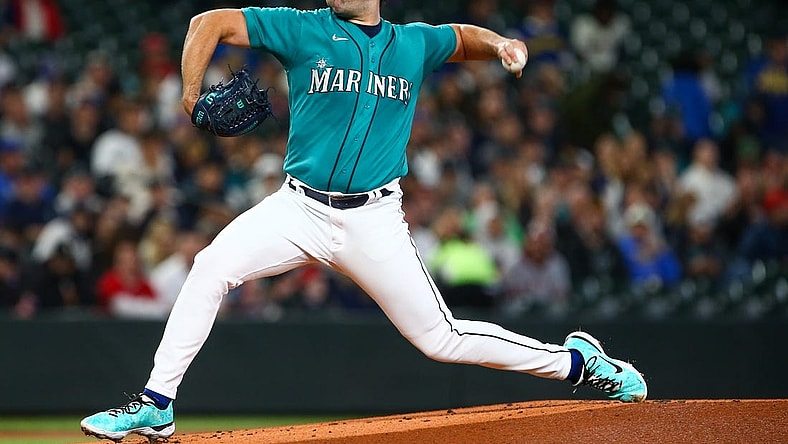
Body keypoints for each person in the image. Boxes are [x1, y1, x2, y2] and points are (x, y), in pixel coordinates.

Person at [80, 2, 647, 441]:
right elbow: (209, 22)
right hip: (298, 207)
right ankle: (157, 406)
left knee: (441, 340)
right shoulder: (302, 28)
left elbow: (460, 38)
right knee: (208, 267)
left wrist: (501, 43)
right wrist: (188, 96)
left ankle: (578, 362)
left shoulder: (411, 44)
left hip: (374, 218)